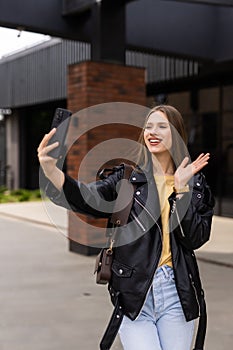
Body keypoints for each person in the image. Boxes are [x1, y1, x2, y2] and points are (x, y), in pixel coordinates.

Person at [37, 104, 215, 350]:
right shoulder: (126, 180)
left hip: (177, 291)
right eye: (148, 126)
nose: (153, 132)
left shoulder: (195, 184)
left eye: (162, 126)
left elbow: (195, 238)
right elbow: (85, 197)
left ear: (176, 133)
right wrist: (50, 170)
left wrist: (182, 190)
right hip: (134, 293)